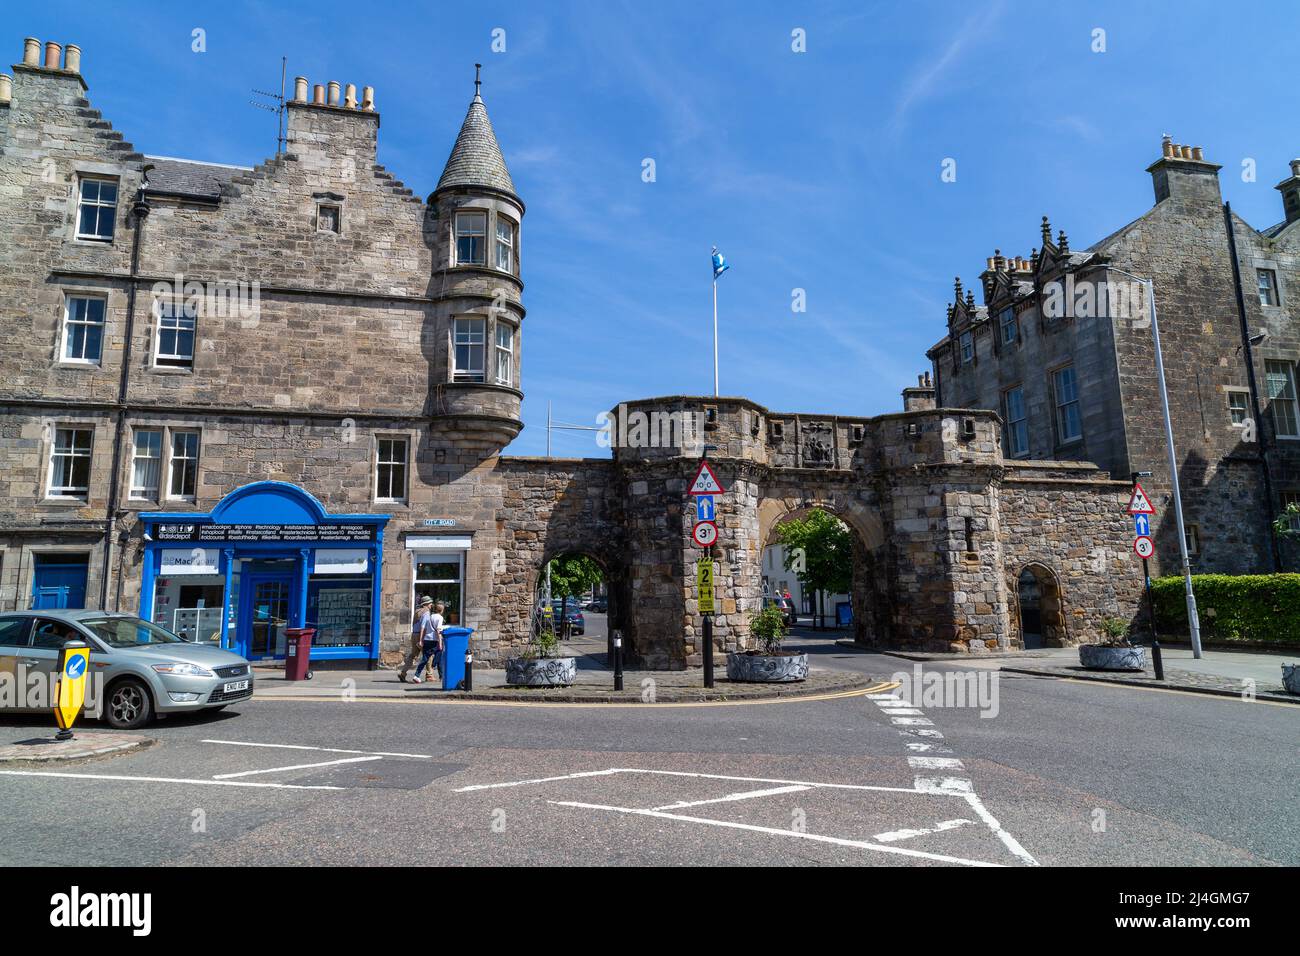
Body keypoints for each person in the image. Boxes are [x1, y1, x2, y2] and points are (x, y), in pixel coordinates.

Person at [399, 595, 433, 683]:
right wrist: (421, 640)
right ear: (427, 604)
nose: (431, 605)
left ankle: (403, 673)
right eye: (430, 603)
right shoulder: (426, 612)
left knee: (413, 655)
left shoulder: (417, 611)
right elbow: (423, 627)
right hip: (420, 635)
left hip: (414, 634)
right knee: (428, 654)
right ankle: (429, 675)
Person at [412, 601, 446, 684]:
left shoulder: (430, 616)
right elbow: (438, 631)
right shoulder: (440, 618)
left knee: (425, 659)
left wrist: (421, 640)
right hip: (435, 641)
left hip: (427, 640)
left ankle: (416, 675)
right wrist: (440, 643)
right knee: (439, 654)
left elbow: (425, 629)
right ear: (442, 610)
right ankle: (436, 669)